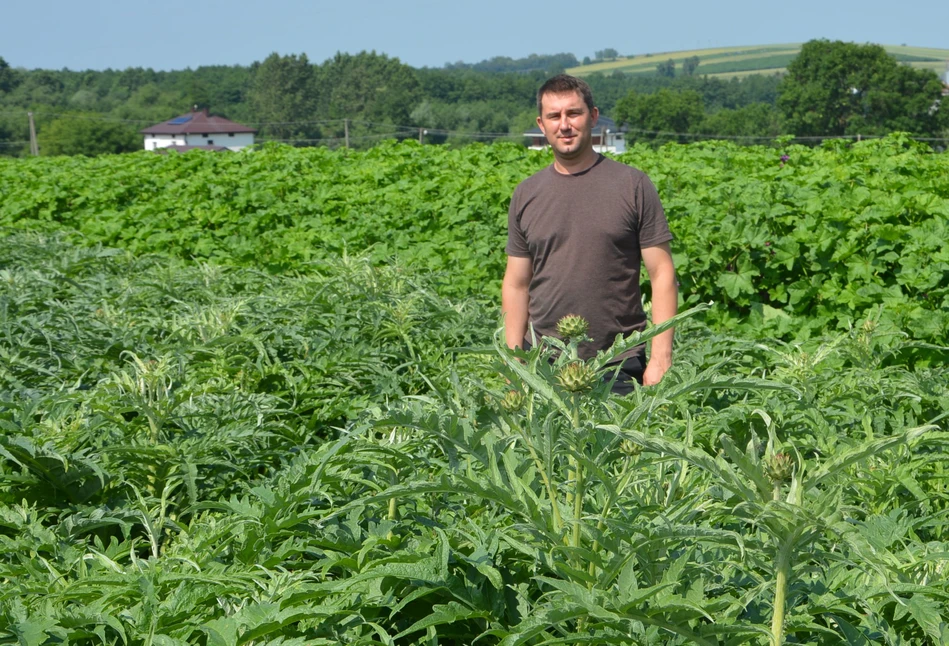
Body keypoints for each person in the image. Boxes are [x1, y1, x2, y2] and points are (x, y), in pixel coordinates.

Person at [501, 74, 678, 393]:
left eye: (574, 113)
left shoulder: (632, 185)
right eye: (554, 116)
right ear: (541, 125)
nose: (564, 125)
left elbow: (662, 272)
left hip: (617, 364)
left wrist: (661, 358)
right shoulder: (526, 194)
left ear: (593, 117)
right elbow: (516, 283)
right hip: (544, 366)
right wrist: (514, 360)